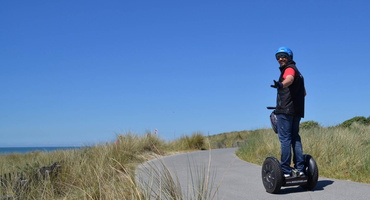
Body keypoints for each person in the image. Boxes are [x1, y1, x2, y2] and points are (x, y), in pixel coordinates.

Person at [270, 46, 306, 177]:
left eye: (283, 56)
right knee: (295, 138)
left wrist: (281, 85)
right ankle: (300, 168)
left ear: (289, 57)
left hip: (285, 111)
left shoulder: (289, 69)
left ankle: (285, 169)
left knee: (285, 139)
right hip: (296, 111)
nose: (280, 59)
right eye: (278, 57)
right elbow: (304, 93)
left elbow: (289, 79)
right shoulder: (299, 73)